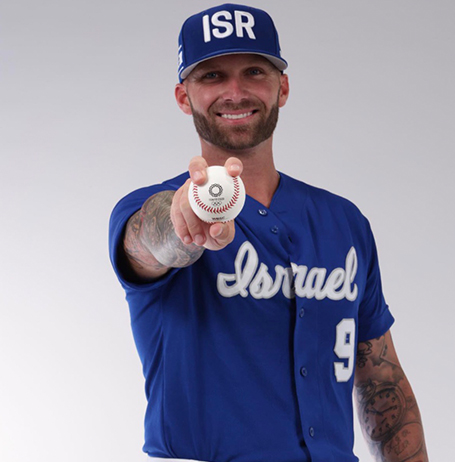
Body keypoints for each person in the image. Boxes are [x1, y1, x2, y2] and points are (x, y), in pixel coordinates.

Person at [109, 4, 429, 462]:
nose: (235, 92)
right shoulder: (146, 208)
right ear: (184, 97)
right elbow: (148, 243)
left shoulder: (344, 222)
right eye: (212, 76)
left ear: (282, 87)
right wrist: (180, 221)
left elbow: (381, 378)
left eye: (254, 71)